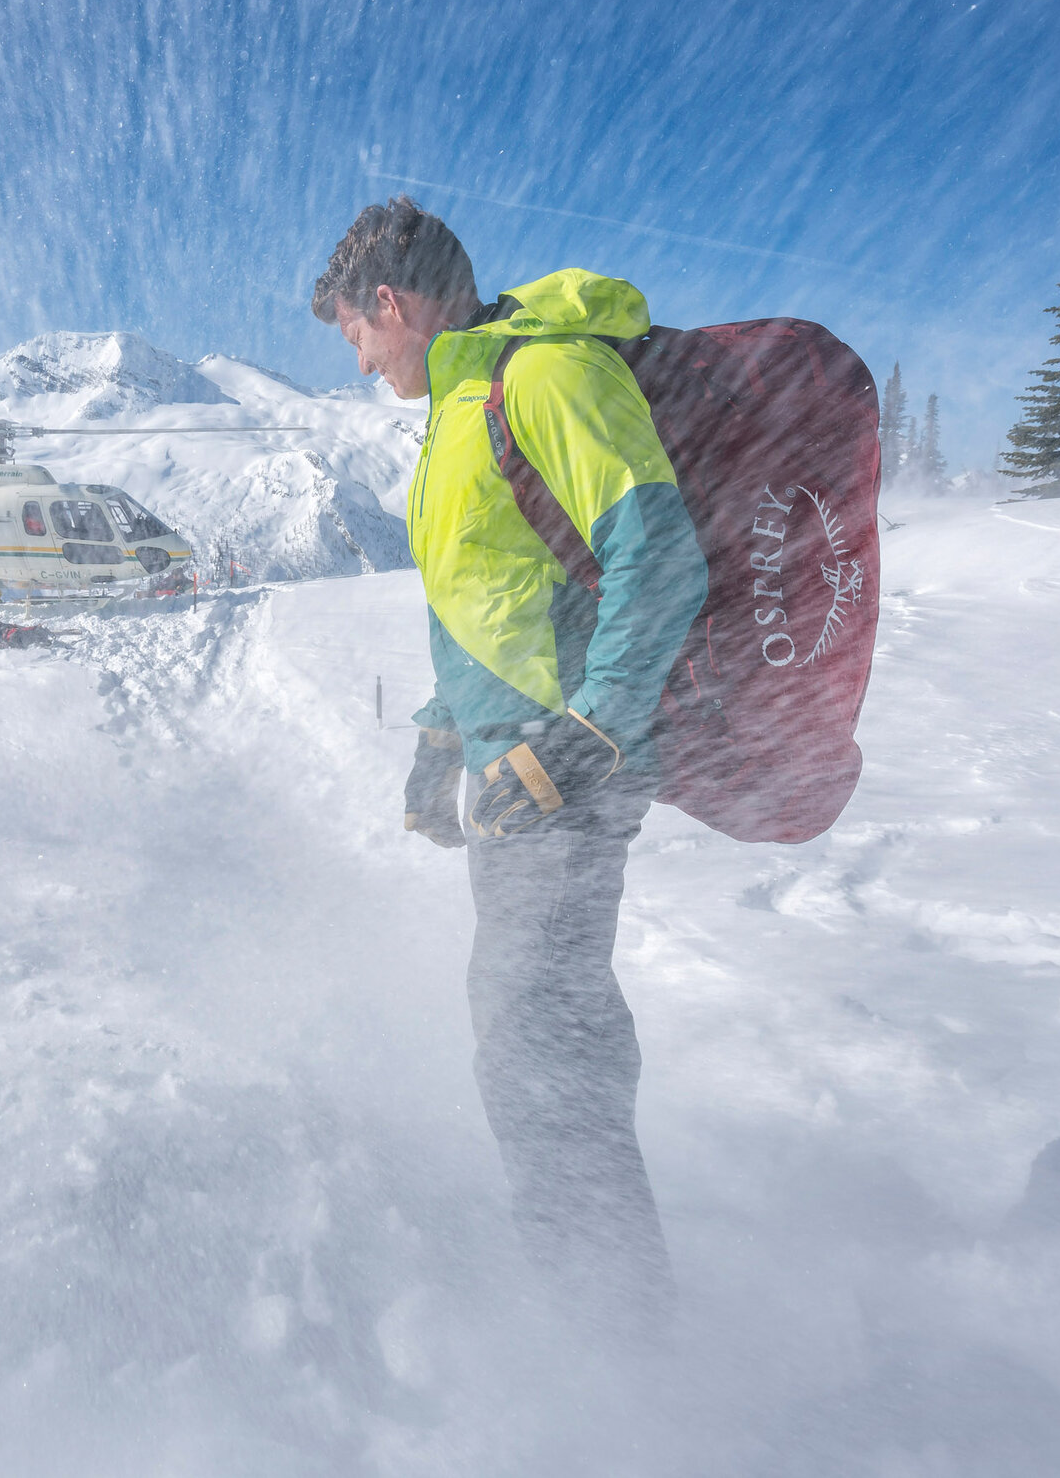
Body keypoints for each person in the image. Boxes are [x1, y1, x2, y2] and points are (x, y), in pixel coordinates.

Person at [314, 197, 707, 1340]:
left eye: (353, 333)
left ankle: (612, 1336)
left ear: (388, 302)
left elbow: (658, 556)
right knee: (536, 1030)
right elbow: (492, 601)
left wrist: (589, 734)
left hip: (564, 774)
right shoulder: (456, 411)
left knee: (540, 1045)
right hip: (515, 773)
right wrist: (443, 735)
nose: (359, 358)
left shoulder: (540, 378)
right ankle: (592, 1279)